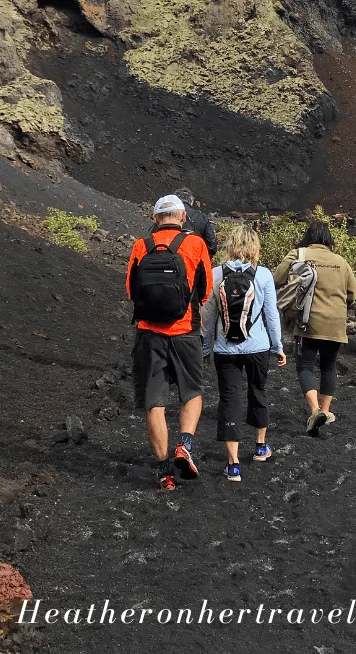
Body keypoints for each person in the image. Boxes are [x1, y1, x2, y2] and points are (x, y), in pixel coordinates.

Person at [126, 194, 213, 491]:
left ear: (155, 218)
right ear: (183, 216)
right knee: (192, 393)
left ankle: (165, 474)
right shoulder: (196, 244)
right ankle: (184, 446)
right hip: (185, 331)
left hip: (149, 335)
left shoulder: (141, 245)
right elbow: (205, 291)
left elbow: (131, 291)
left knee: (155, 403)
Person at [202, 224, 286, 483]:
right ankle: (260, 447)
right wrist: (278, 347)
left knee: (229, 399)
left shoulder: (216, 274)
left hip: (225, 348)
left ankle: (233, 465)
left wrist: (205, 349)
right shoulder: (263, 275)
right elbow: (271, 315)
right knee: (258, 391)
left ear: (230, 246)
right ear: (254, 248)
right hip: (258, 347)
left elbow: (208, 316)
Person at [274, 220, 356, 438]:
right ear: (328, 239)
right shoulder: (341, 261)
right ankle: (326, 412)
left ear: (308, 236)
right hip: (336, 324)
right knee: (329, 367)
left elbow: (277, 279)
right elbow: (353, 294)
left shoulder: (298, 254)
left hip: (308, 323)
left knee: (305, 366)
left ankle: (314, 411)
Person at [174, 186, 218, 257]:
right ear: (191, 201)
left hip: (171, 258)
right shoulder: (201, 217)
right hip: (194, 258)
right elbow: (212, 247)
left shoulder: (166, 216)